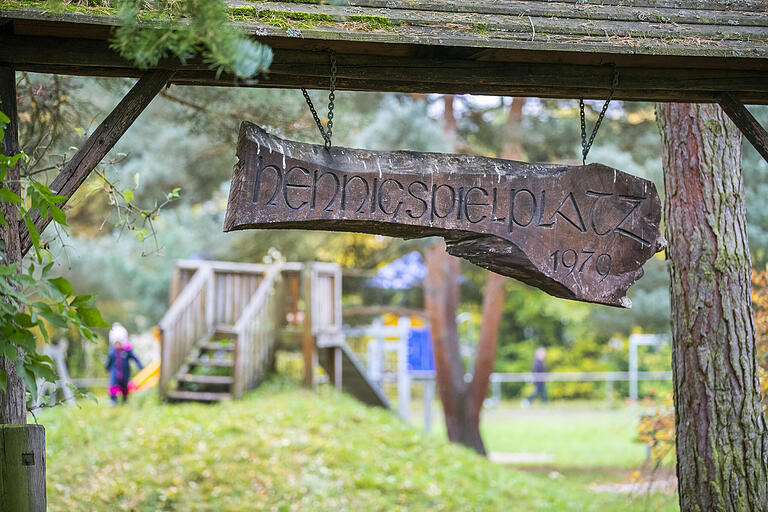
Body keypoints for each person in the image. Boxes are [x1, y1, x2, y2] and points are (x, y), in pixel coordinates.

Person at [105, 323, 143, 405]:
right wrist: (106, 368)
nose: (117, 345)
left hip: (125, 372)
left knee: (125, 386)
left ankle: (124, 400)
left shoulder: (127, 351)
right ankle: (113, 400)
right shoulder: (112, 352)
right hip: (115, 372)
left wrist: (140, 366)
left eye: (119, 343)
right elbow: (109, 361)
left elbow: (135, 358)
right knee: (113, 385)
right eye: (116, 343)